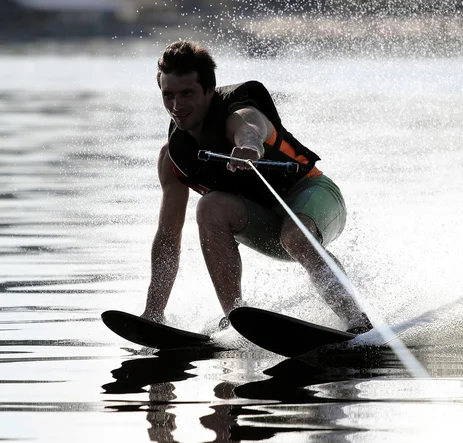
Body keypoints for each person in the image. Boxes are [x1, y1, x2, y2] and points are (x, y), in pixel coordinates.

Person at [140, 40, 372, 334]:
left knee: (295, 235)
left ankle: (358, 322)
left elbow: (250, 127)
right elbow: (167, 238)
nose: (176, 106)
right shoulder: (172, 157)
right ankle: (235, 319)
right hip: (264, 224)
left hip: (313, 196)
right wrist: (153, 312)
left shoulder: (236, 111)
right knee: (209, 207)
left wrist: (249, 146)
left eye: (187, 94)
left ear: (209, 91)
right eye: (168, 95)